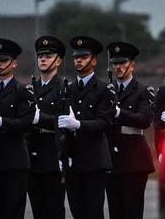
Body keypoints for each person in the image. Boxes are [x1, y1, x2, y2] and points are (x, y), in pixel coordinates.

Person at [0, 38, 36, 219]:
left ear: (14, 63)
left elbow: (25, 123)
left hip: (15, 160)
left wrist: (1, 121)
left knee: (13, 211)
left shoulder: (23, 91)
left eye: (3, 61)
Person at [58, 35, 113, 219]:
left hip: (94, 160)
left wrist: (79, 125)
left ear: (94, 60)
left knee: (93, 211)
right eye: (76, 57)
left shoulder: (104, 89)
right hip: (73, 159)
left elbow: (104, 123)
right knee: (77, 209)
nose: (79, 60)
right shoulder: (69, 89)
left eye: (84, 57)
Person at [105, 41, 155, 219]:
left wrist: (120, 113)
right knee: (115, 212)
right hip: (111, 159)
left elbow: (144, 120)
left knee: (132, 212)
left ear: (132, 65)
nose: (118, 67)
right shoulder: (106, 91)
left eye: (122, 63)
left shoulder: (143, 91)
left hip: (134, 160)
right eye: (115, 63)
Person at [28, 36, 66, 219]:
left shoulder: (64, 88)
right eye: (40, 55)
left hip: (53, 155)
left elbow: (64, 121)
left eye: (48, 55)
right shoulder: (29, 89)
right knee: (37, 209)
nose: (43, 59)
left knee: (54, 209)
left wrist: (40, 119)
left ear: (58, 60)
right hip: (32, 155)